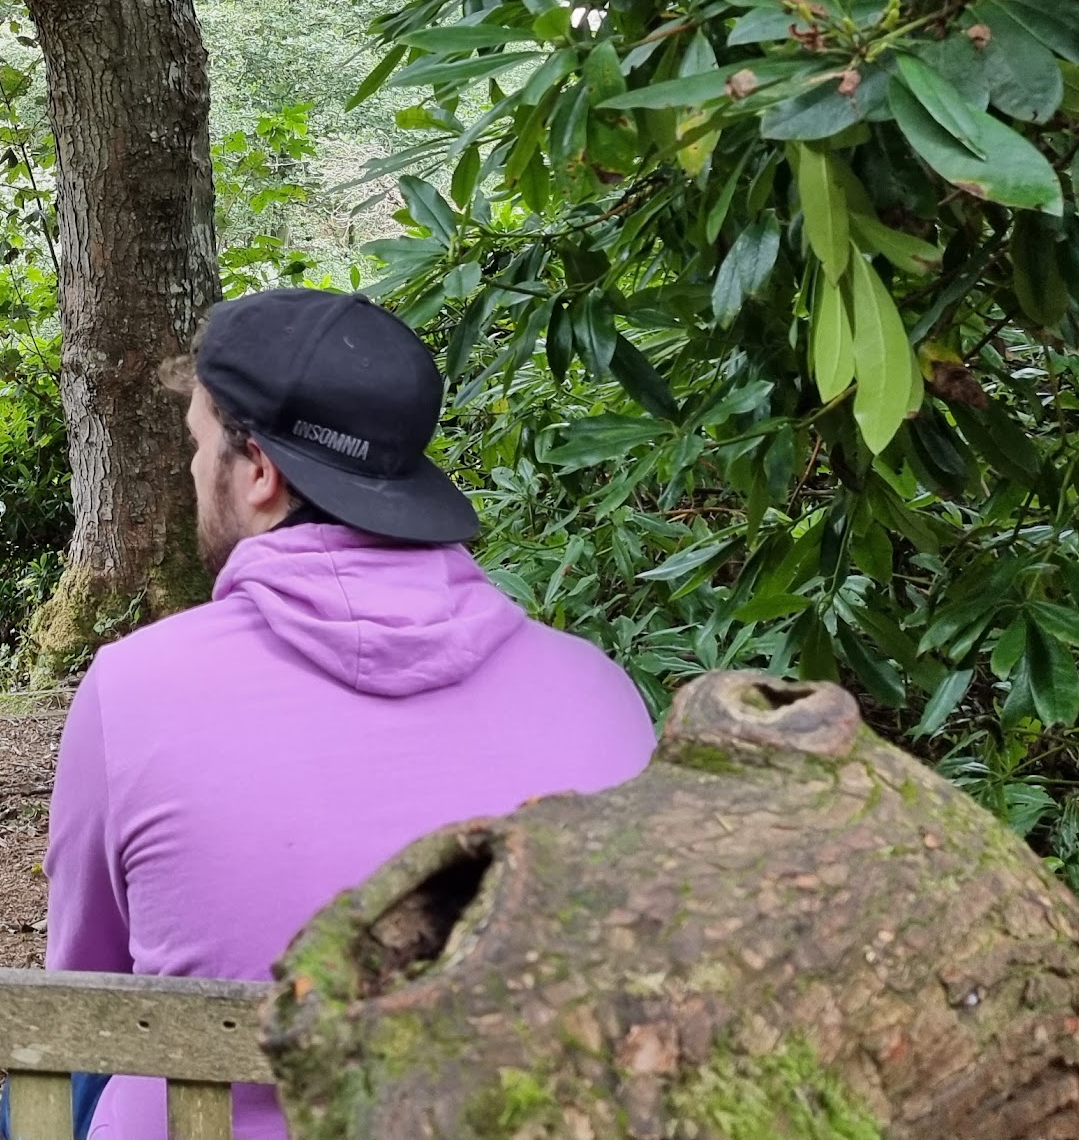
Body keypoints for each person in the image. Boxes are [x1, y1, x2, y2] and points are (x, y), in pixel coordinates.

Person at [41, 287, 655, 1140]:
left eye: (198, 442)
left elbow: (80, 1000)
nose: (189, 470)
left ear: (258, 471)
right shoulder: (598, 690)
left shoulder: (132, 688)